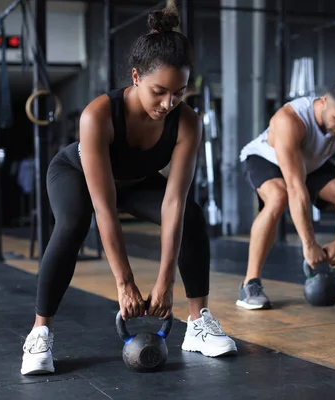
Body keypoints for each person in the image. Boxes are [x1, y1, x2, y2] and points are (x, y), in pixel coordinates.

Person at [20, 8, 237, 375]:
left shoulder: (187, 123)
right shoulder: (98, 115)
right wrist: (125, 284)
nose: (168, 103)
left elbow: (174, 201)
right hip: (75, 173)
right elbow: (104, 209)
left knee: (193, 215)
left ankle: (198, 322)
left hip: (135, 181)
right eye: (159, 92)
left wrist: (166, 280)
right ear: (136, 77)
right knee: (73, 223)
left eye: (179, 93)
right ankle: (40, 331)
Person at [236, 76, 335, 310]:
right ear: (323, 102)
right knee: (279, 196)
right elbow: (295, 187)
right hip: (265, 159)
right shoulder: (289, 120)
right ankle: (250, 283)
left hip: (311, 164)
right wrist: (309, 244)